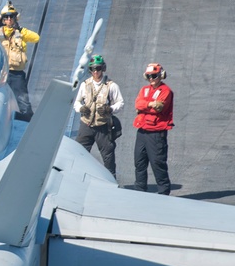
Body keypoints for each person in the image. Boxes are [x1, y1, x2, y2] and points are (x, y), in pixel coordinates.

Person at [0, 1, 39, 121]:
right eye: (6, 17)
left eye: (11, 17)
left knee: (23, 102)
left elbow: (36, 38)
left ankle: (26, 123)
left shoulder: (21, 33)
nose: (9, 20)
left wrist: (20, 29)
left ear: (15, 18)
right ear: (2, 19)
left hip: (16, 73)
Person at [74, 55, 124, 177]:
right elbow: (76, 102)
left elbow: (120, 103)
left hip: (103, 127)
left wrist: (110, 109)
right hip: (86, 125)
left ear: (103, 68)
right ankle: (77, 176)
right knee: (79, 153)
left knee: (108, 156)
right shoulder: (84, 85)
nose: (95, 72)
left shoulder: (111, 86)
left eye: (98, 68)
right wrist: (81, 108)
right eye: (92, 69)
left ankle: (111, 179)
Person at [131, 62, 174, 194]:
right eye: (149, 76)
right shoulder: (144, 90)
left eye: (154, 76)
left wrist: (145, 106)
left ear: (160, 76)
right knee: (139, 162)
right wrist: (150, 104)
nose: (151, 79)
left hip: (156, 133)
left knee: (157, 164)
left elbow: (159, 108)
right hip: (142, 131)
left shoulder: (166, 91)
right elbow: (138, 104)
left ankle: (164, 192)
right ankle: (139, 191)